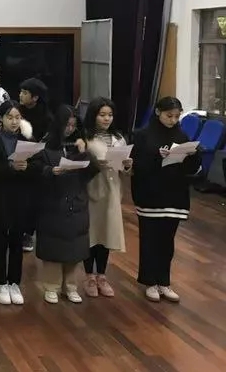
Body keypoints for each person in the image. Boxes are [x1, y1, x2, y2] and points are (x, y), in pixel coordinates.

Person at [132, 97, 201, 303]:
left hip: (175, 195)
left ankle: (164, 281)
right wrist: (157, 156)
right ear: (158, 112)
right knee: (149, 240)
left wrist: (193, 154)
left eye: (177, 116)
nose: (173, 120)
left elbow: (191, 170)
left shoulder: (182, 135)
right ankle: (150, 282)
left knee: (167, 242)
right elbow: (137, 166)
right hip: (150, 195)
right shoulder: (143, 135)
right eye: (169, 116)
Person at [34, 106, 99, 305]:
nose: (70, 129)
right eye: (67, 125)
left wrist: (84, 153)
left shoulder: (78, 145)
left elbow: (92, 171)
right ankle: (51, 286)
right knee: (53, 247)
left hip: (76, 200)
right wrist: (50, 171)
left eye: (73, 125)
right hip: (53, 201)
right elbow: (35, 170)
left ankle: (70, 286)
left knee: (75, 247)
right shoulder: (45, 145)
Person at [0, 101, 35, 305]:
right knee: (1, 239)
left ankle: (14, 282)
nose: (14, 122)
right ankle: (0, 283)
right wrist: (11, 167)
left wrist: (27, 168)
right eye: (10, 117)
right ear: (0, 118)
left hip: (20, 195)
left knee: (17, 240)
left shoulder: (27, 139)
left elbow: (36, 166)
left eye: (17, 117)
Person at [82, 97, 133, 298]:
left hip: (112, 190)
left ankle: (102, 275)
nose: (106, 119)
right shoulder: (85, 138)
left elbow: (125, 170)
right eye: (102, 115)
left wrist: (127, 165)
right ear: (93, 115)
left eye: (110, 115)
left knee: (107, 232)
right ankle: (89, 276)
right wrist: (95, 165)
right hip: (92, 189)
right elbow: (79, 164)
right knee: (91, 233)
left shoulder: (119, 138)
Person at [18, 77, 52, 253]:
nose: (20, 95)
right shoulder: (17, 112)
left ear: (35, 97)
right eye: (21, 92)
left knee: (33, 200)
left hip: (37, 161)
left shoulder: (47, 118)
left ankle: (28, 233)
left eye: (25, 93)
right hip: (17, 158)